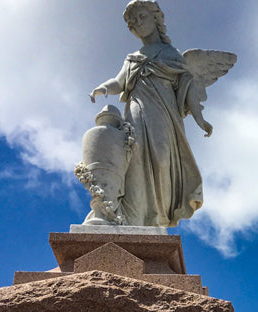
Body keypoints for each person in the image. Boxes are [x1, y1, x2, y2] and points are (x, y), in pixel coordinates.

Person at [89, 1, 212, 227]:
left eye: (141, 16)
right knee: (134, 159)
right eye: (131, 23)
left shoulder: (171, 54)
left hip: (164, 117)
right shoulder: (132, 57)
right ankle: (134, 215)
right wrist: (105, 88)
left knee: (162, 158)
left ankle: (158, 216)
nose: (136, 24)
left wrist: (199, 118)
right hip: (136, 114)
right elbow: (119, 81)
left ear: (156, 17)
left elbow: (188, 89)